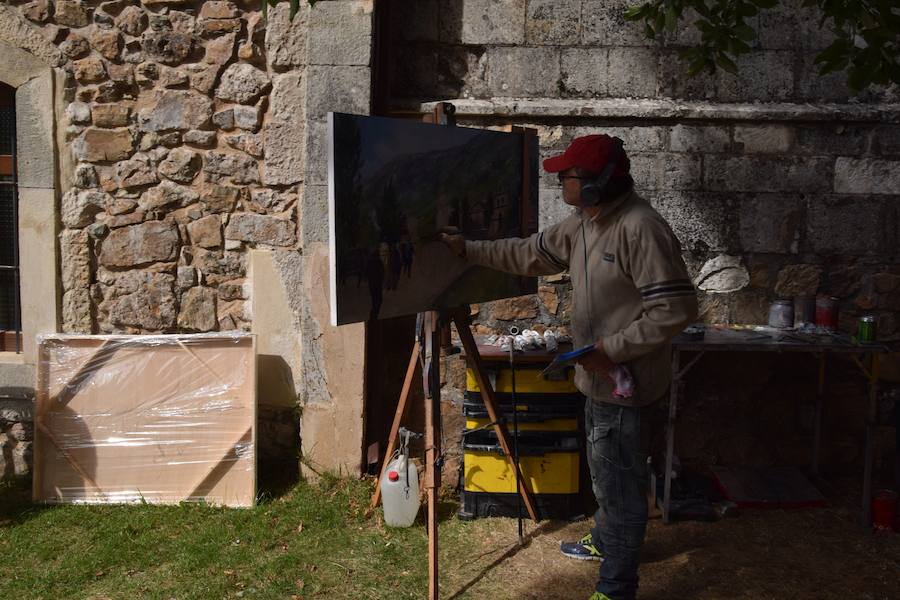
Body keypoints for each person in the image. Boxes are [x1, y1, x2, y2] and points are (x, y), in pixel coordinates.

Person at [441, 134, 698, 600]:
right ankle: (604, 541)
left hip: (627, 383)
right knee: (604, 471)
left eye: (569, 176)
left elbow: (676, 309)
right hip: (597, 378)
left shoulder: (641, 228)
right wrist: (470, 250)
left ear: (599, 183)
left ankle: (617, 587)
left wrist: (614, 350)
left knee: (620, 482)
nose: (561, 182)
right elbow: (531, 253)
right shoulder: (584, 221)